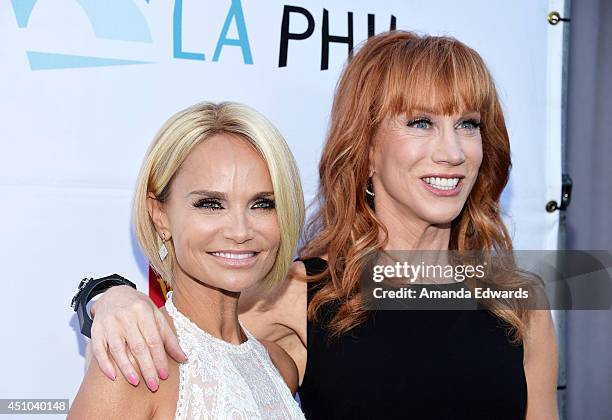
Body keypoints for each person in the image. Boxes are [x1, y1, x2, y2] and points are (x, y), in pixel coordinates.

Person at [81, 31, 559, 419]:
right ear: (367, 147)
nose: (452, 152)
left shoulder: (518, 301)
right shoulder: (297, 292)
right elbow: (193, 348)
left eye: (468, 124)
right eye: (420, 123)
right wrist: (106, 296)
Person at [68, 102, 306, 419]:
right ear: (160, 215)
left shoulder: (279, 365)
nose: (240, 231)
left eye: (262, 204)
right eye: (210, 204)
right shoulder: (137, 363)